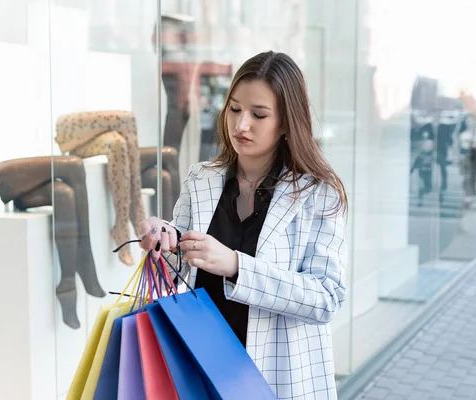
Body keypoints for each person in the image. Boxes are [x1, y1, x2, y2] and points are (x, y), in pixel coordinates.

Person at [137, 51, 348, 398]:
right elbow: (179, 271)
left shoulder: (318, 195)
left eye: (258, 114)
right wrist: (165, 239)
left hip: (276, 374)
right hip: (199, 366)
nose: (241, 125)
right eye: (234, 109)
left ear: (286, 122)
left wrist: (236, 266)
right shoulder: (201, 178)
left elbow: (326, 298)